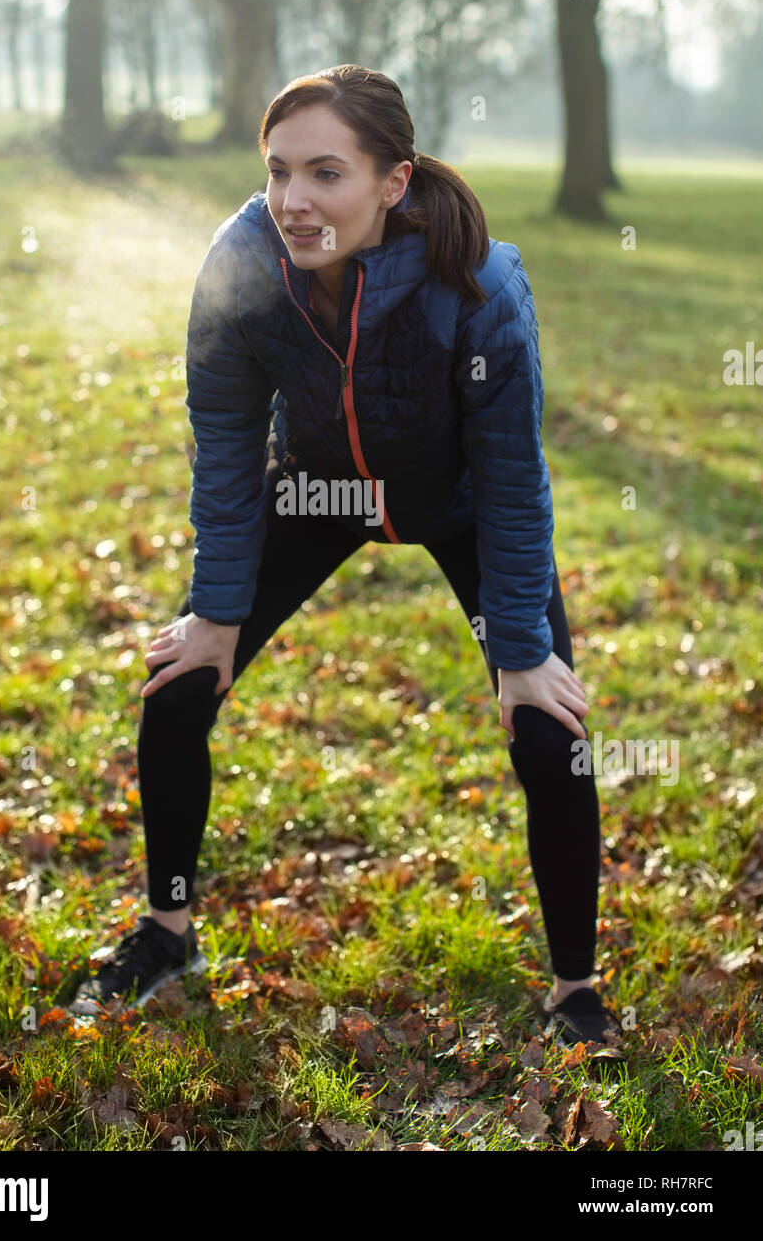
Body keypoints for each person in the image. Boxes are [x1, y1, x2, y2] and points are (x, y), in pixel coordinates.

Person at [70, 64, 622, 1048]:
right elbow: (228, 450)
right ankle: (168, 929)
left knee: (551, 730)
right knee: (176, 687)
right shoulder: (239, 266)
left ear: (392, 183)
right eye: (278, 172)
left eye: (326, 173)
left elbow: (508, 474)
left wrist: (523, 646)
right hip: (319, 492)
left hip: (455, 507)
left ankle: (574, 987)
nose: (293, 200)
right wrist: (215, 608)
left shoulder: (480, 281)